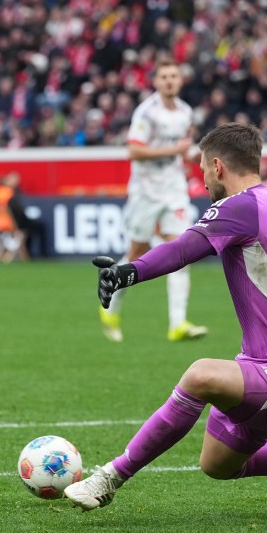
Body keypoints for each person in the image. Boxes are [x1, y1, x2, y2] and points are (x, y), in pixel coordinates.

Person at [64, 123, 267, 516]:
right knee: (217, 463)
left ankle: (108, 479)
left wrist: (127, 272)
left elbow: (185, 247)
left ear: (218, 167)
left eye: (203, 170)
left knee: (201, 375)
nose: (203, 181)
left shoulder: (241, 207)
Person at [100, 57, 207, 343]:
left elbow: (182, 151)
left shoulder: (185, 112)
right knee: (136, 252)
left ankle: (178, 323)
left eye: (174, 76)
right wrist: (175, 149)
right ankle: (111, 296)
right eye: (164, 77)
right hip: (145, 191)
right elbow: (134, 151)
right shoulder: (146, 113)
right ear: (156, 82)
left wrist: (199, 155)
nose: (170, 81)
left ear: (180, 80)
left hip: (173, 189)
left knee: (182, 252)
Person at [0, 172, 28, 263]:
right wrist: (14, 224)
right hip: (5, 223)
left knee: (3, 242)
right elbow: (8, 210)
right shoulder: (9, 192)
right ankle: (8, 258)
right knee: (19, 235)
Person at [6, 172, 47, 259]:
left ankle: (30, 253)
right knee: (36, 227)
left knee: (31, 229)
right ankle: (42, 253)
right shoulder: (9, 193)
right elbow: (16, 211)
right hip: (14, 223)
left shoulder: (11, 193)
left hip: (12, 222)